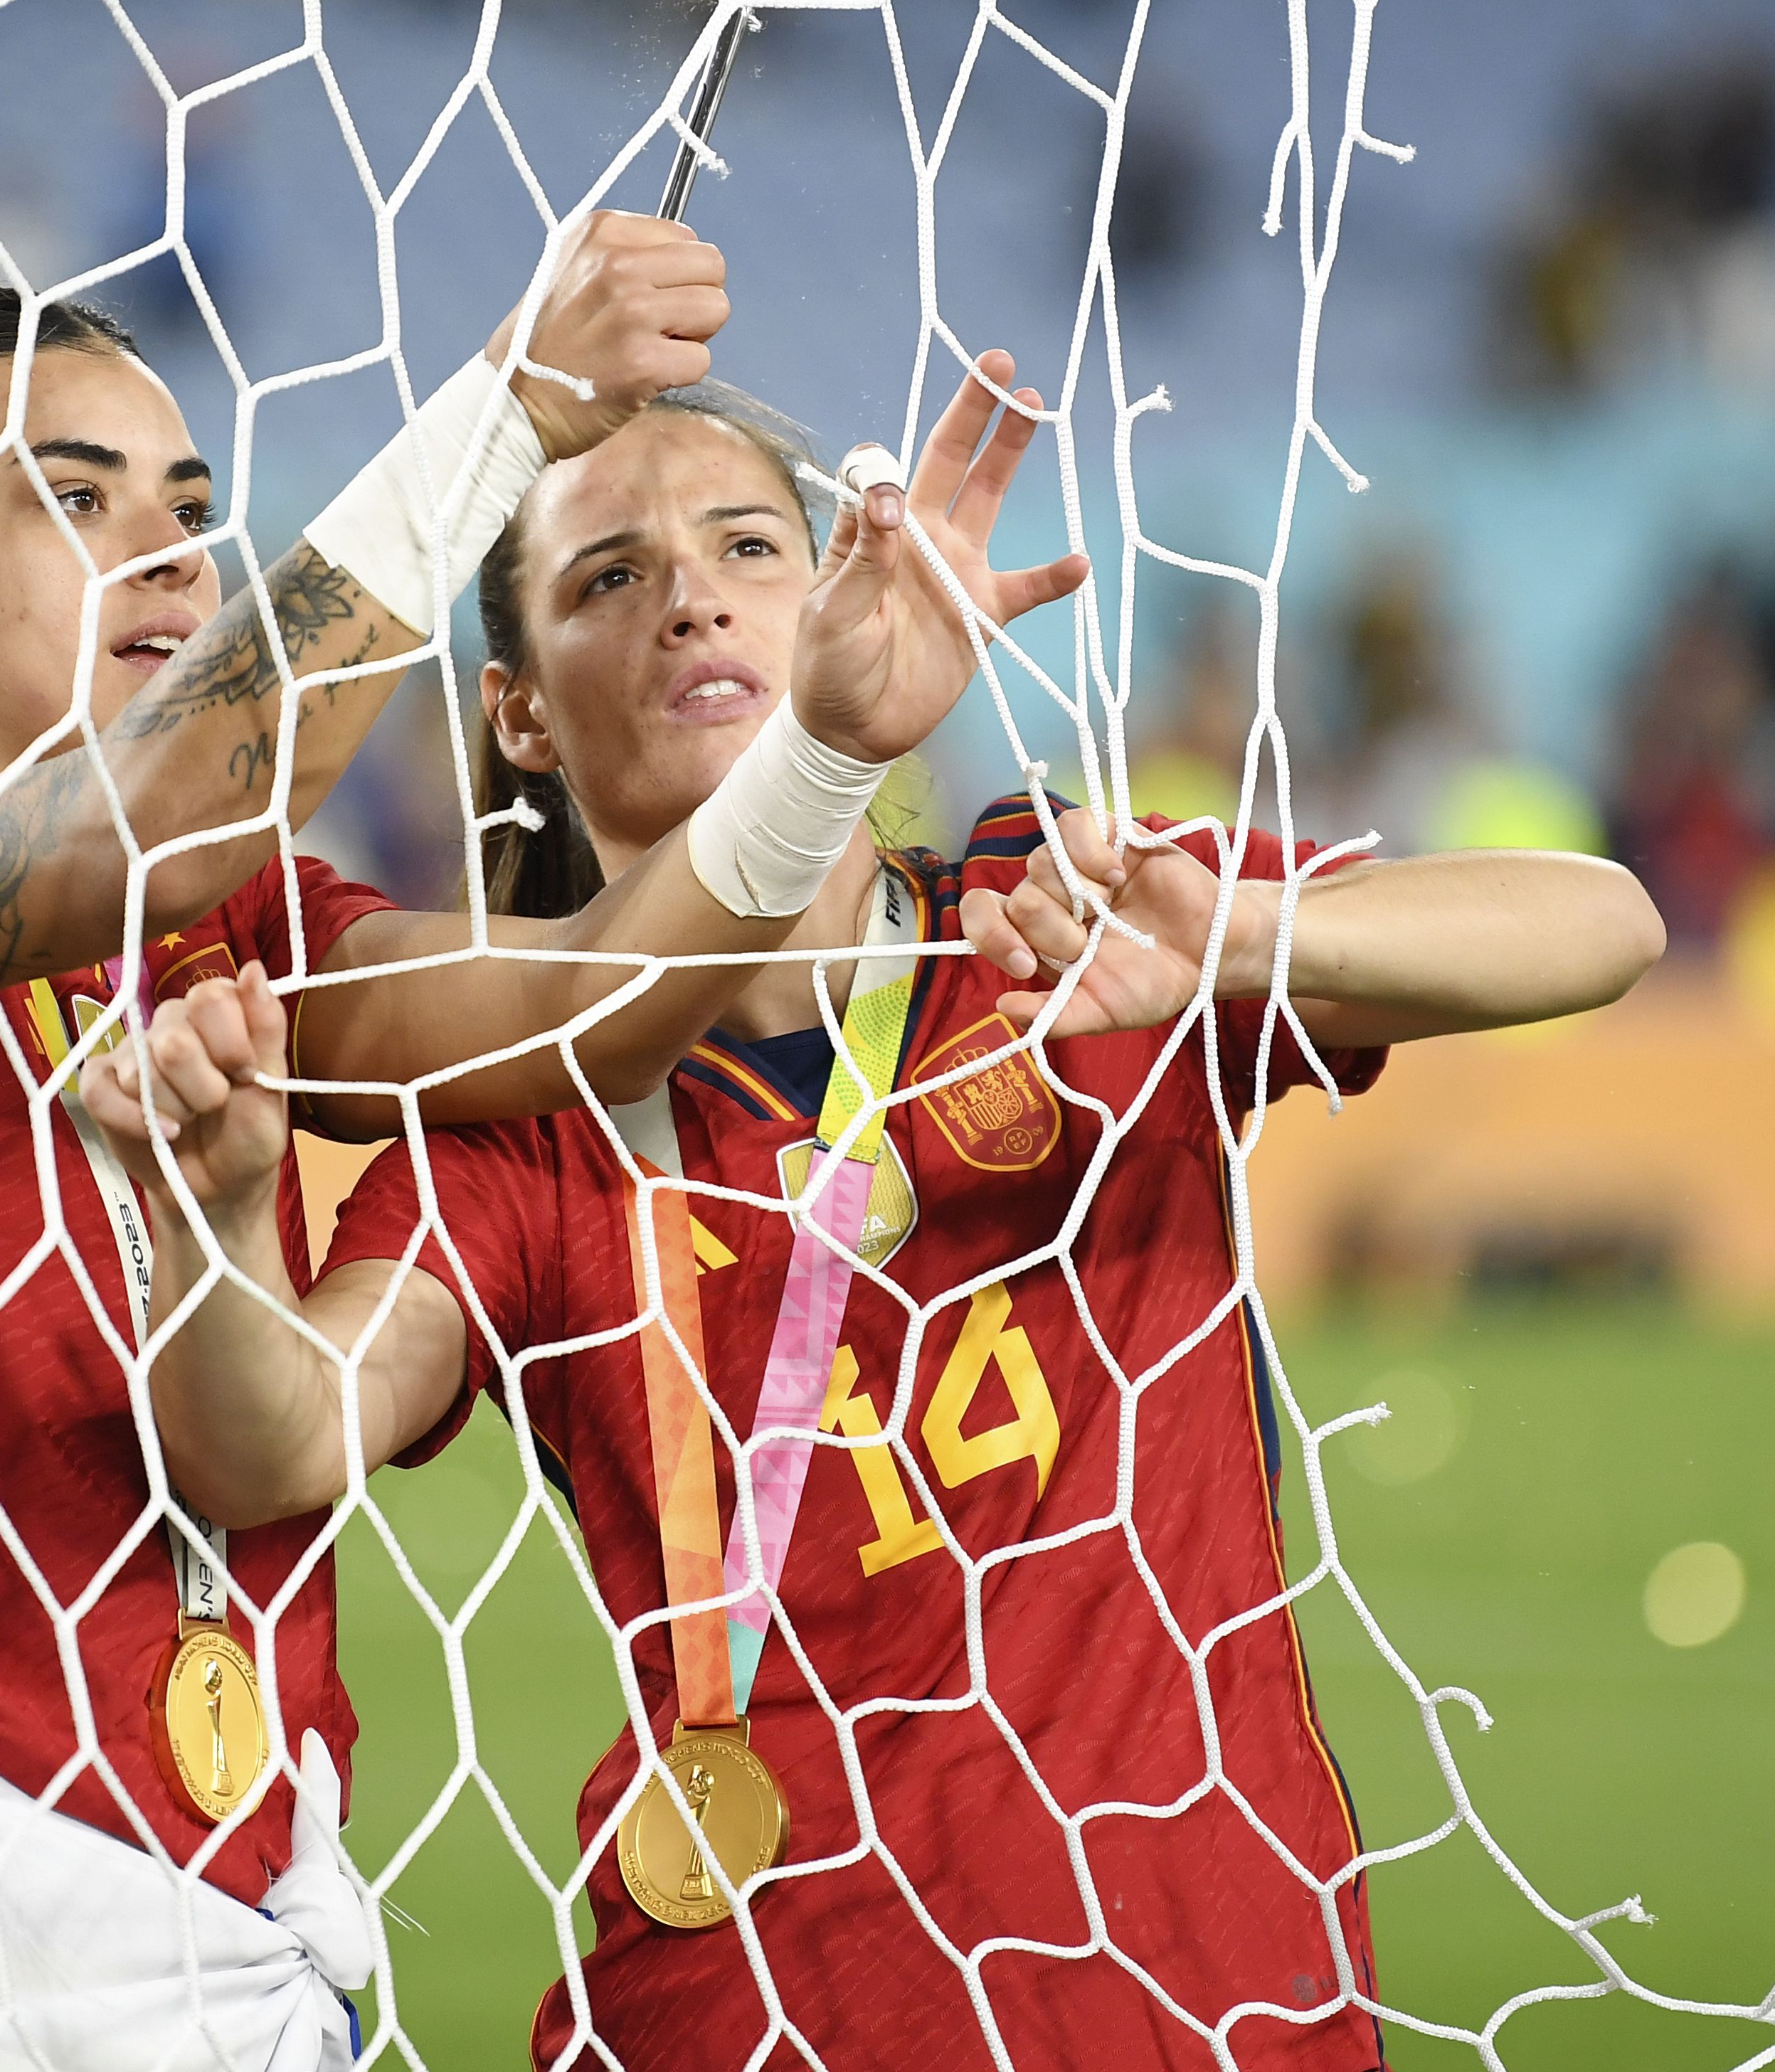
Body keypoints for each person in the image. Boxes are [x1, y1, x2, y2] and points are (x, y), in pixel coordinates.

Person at [0, 218, 1090, 2072]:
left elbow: (597, 1002)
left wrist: (825, 746)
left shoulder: (245, 922)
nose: (168, 547)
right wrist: (510, 411)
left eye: (190, 501)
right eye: (75, 496)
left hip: (209, 1967)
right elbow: (119, 832)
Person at [83, 395, 1669, 2071]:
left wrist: (1242, 940)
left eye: (745, 548)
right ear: (519, 716)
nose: (690, 598)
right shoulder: (527, 1131)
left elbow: (1602, 923)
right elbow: (273, 1445)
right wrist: (219, 1207)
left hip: (1208, 2006)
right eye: (609, 578)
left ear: (831, 597)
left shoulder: (1055, 921)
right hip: (743, 2018)